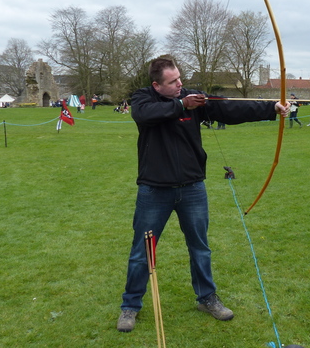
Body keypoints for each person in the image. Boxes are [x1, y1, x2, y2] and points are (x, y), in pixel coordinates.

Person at [117, 56, 290, 333]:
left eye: (180, 79)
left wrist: (271, 108)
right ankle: (130, 306)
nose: (180, 84)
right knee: (142, 251)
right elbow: (145, 115)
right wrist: (180, 105)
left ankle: (207, 298)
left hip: (192, 188)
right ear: (156, 85)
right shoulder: (142, 98)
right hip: (154, 189)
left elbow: (230, 108)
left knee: (200, 248)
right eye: (173, 82)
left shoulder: (192, 99)